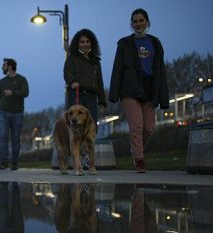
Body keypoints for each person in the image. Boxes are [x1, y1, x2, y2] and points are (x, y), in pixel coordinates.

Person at [109, 8, 169, 173]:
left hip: (150, 90)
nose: (138, 24)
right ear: (131, 24)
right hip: (130, 90)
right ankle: (139, 160)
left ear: (147, 22)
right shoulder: (125, 43)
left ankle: (135, 149)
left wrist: (163, 96)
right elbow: (118, 68)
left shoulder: (155, 42)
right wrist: (114, 94)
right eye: (135, 21)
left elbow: (160, 69)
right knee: (136, 126)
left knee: (149, 128)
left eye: (141, 20)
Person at [64, 28, 107, 125]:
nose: (85, 44)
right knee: (75, 125)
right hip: (76, 95)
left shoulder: (96, 62)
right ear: (77, 43)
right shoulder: (72, 58)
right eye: (82, 42)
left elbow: (100, 82)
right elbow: (67, 73)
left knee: (91, 125)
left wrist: (102, 101)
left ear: (92, 43)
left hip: (92, 97)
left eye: (87, 41)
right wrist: (72, 81)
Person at [0, 58, 29, 170]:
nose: (2, 67)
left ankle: (14, 163)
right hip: (3, 113)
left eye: (4, 65)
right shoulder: (2, 81)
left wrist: (12, 93)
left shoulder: (22, 79)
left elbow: (25, 93)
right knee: (3, 137)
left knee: (15, 139)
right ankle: (3, 162)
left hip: (17, 113)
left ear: (10, 66)